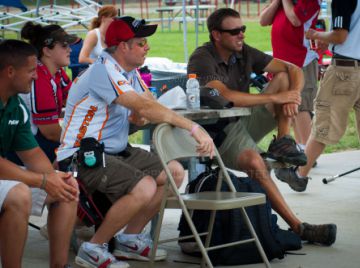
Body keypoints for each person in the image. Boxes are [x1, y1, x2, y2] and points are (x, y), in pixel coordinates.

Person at [56, 16, 214, 268]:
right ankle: (93, 247)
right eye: (141, 43)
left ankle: (129, 238)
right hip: (79, 156)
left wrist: (142, 112)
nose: (147, 47)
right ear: (122, 47)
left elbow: (145, 108)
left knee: (173, 172)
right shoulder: (103, 69)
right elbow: (144, 107)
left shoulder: (128, 73)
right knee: (145, 186)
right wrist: (194, 128)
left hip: (112, 151)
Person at [187, 8, 336, 246]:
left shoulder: (242, 52)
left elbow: (294, 69)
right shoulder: (201, 58)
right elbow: (225, 95)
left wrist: (292, 96)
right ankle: (299, 227)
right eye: (234, 31)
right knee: (256, 163)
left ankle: (283, 140)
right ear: (216, 35)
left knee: (285, 78)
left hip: (243, 120)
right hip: (217, 134)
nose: (241, 35)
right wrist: (276, 98)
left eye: (243, 29)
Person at [275, 0, 360, 198]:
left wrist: (315, 34)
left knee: (323, 124)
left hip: (344, 70)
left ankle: (300, 175)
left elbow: (340, 36)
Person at [0, 39, 78, 268]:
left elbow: (32, 153)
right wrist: (42, 180)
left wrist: (55, 180)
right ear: (11, 71)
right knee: (18, 193)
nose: (36, 76)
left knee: (67, 189)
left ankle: (59, 265)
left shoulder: (15, 105)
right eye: (32, 70)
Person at [260, 0, 320, 154]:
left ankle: (307, 154)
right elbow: (263, 20)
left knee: (301, 106)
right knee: (288, 107)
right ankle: (300, 147)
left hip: (302, 60)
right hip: (282, 62)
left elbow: (295, 20)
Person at [13, 22, 76, 163]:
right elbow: (50, 132)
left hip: (37, 139)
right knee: (78, 158)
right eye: (64, 45)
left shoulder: (57, 71)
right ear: (47, 51)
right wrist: (80, 138)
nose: (70, 50)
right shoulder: (39, 77)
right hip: (26, 146)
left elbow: (76, 101)